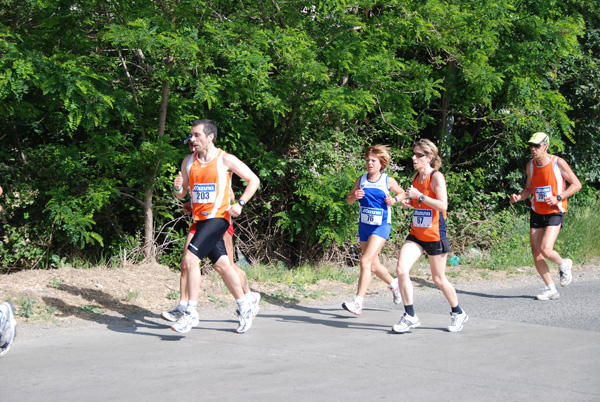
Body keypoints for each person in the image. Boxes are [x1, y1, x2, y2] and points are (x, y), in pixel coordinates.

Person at [171, 119, 260, 334]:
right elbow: (182, 195)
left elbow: (253, 180)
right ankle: (245, 305)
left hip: (218, 218)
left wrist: (240, 203)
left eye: (197, 135)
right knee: (222, 265)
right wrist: (178, 188)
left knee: (190, 260)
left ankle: (190, 313)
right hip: (199, 220)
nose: (192, 139)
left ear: (210, 137)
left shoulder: (224, 159)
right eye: (191, 135)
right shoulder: (188, 161)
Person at [392, 139, 468, 333]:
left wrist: (420, 197)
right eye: (414, 154)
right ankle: (410, 315)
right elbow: (420, 202)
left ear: (430, 158)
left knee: (438, 278)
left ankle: (458, 312)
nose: (414, 158)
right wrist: (412, 203)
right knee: (401, 270)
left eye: (419, 155)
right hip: (417, 233)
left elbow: (443, 205)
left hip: (435, 233)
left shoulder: (436, 177)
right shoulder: (416, 176)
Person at [510, 132, 582, 300]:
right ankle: (551, 288)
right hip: (537, 210)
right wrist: (518, 197)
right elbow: (529, 189)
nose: (533, 149)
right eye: (531, 146)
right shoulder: (531, 165)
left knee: (545, 248)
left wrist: (558, 197)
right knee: (536, 252)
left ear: (546, 146)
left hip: (555, 210)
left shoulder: (558, 162)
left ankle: (564, 264)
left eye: (537, 146)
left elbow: (577, 184)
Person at [343, 145, 405, 316]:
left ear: (381, 163)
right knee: (374, 265)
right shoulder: (361, 179)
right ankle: (395, 285)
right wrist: (354, 197)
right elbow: (348, 200)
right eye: (367, 160)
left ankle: (357, 303)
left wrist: (394, 200)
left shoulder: (387, 180)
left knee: (365, 262)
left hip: (381, 225)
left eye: (373, 161)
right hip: (364, 226)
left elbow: (402, 193)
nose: (369, 163)